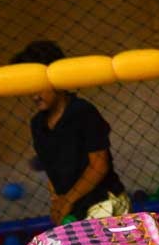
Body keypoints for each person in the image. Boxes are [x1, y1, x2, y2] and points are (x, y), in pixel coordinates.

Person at [11, 41, 129, 224]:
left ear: (57, 78)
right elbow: (51, 170)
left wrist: (67, 201)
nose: (34, 95)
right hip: (75, 207)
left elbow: (99, 165)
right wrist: (57, 201)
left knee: (97, 240)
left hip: (104, 201)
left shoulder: (82, 112)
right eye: (28, 86)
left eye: (39, 86)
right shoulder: (38, 124)